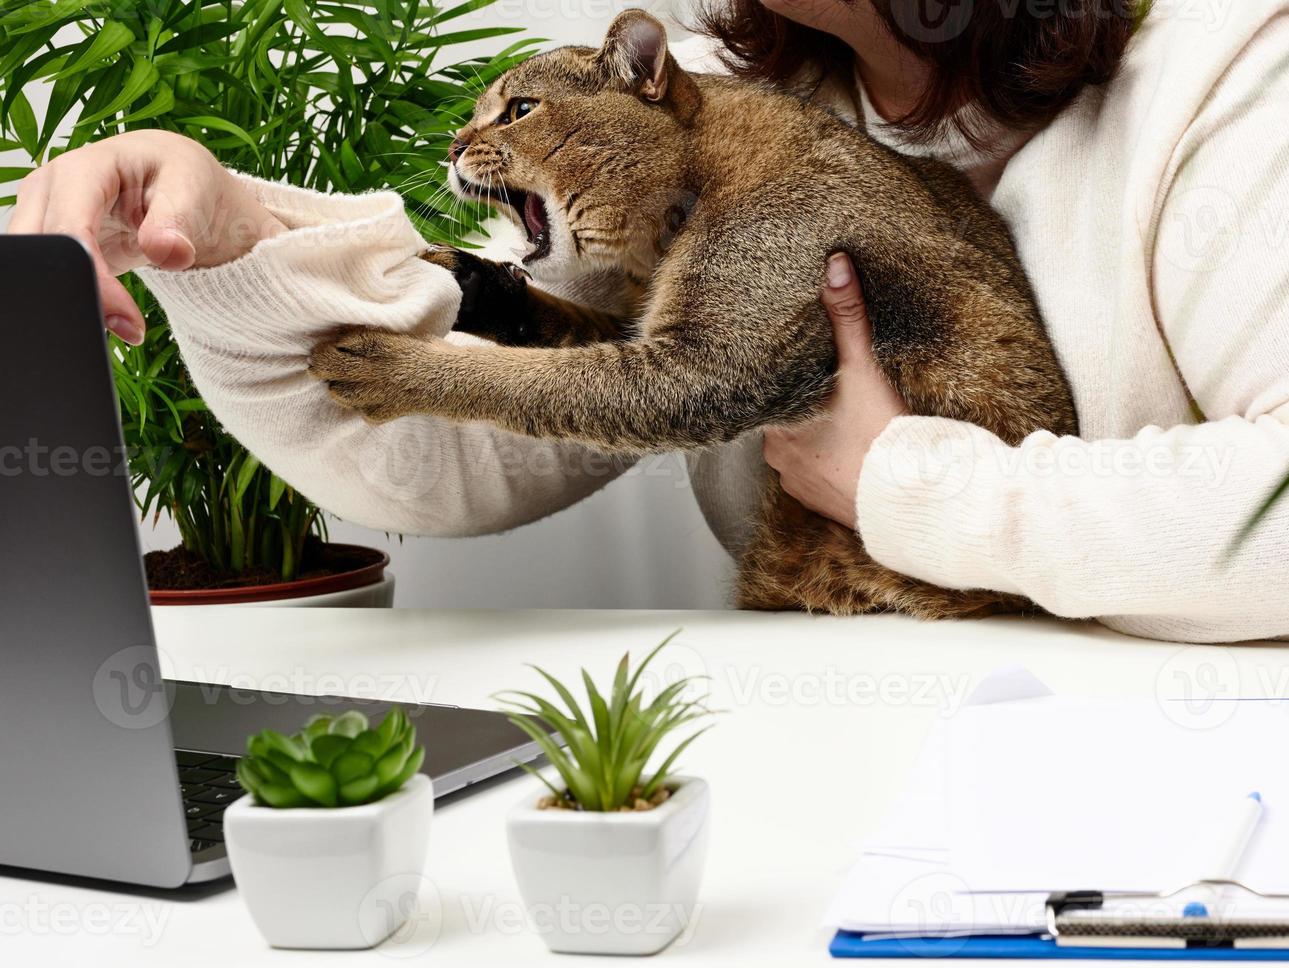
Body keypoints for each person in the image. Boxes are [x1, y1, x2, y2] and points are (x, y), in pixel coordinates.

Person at [9, 0, 1289, 642]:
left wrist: (904, 483)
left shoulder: (1228, 71)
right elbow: (466, 448)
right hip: (822, 741)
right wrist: (227, 241)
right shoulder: (716, 118)